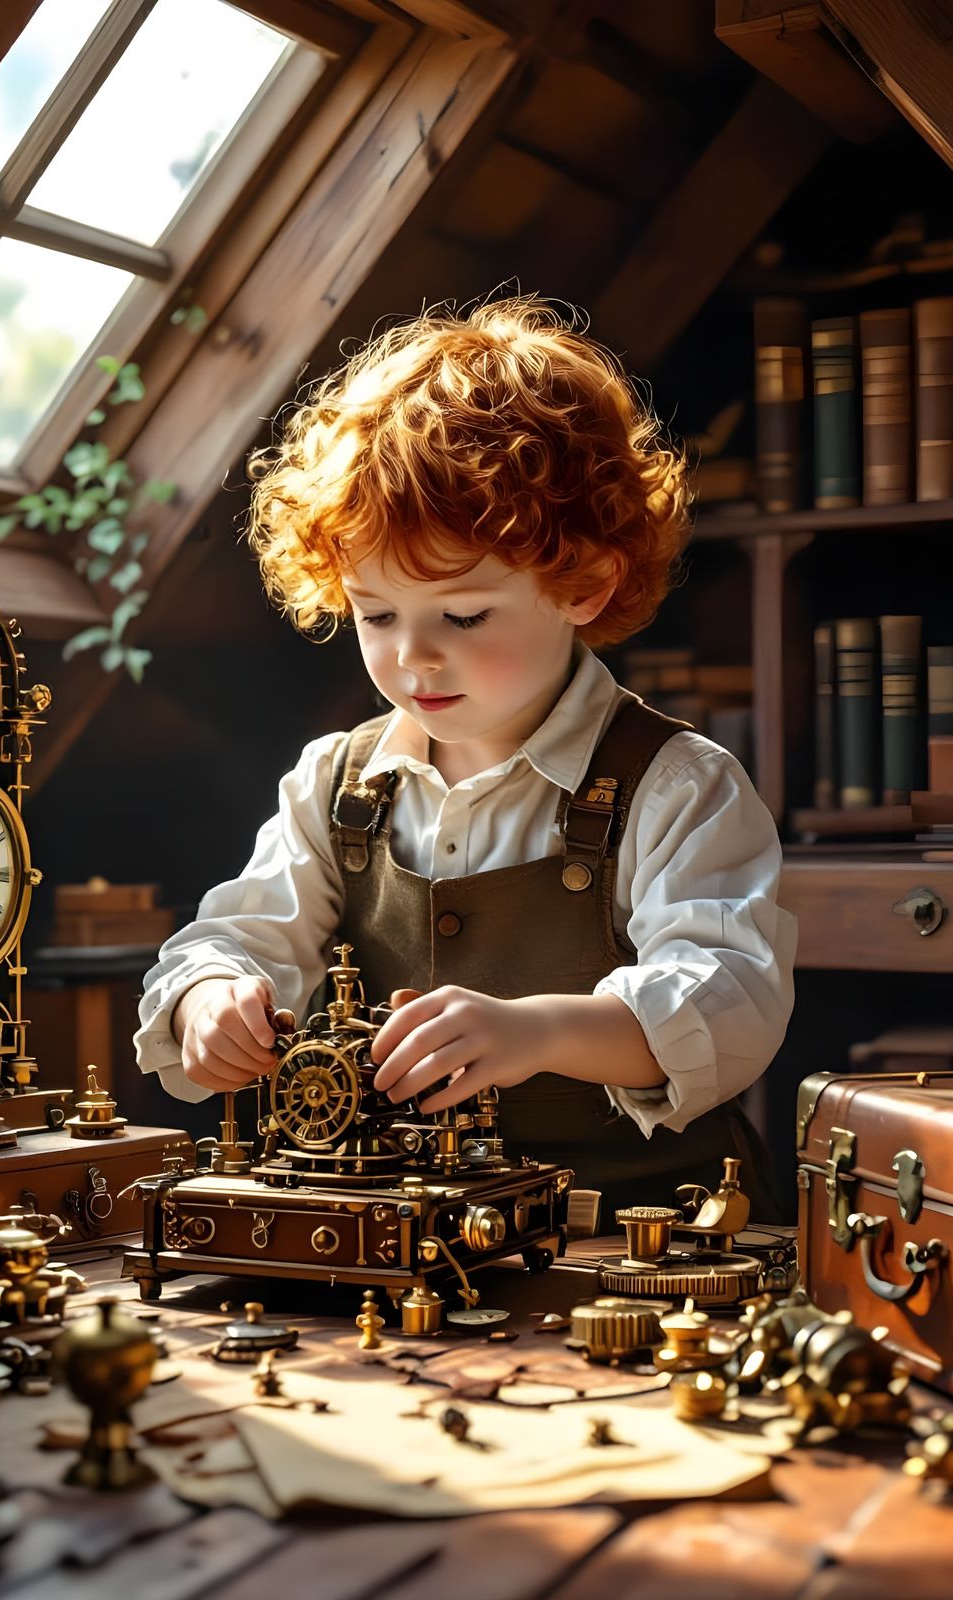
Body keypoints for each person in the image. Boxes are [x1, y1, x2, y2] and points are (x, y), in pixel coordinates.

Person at [133, 296, 797, 1222]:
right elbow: (237, 937)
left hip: (648, 1247)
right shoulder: (336, 783)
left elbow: (730, 997)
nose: (414, 656)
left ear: (585, 584)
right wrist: (209, 1001)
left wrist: (540, 1029)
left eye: (464, 615)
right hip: (404, 1245)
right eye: (376, 615)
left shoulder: (679, 786)